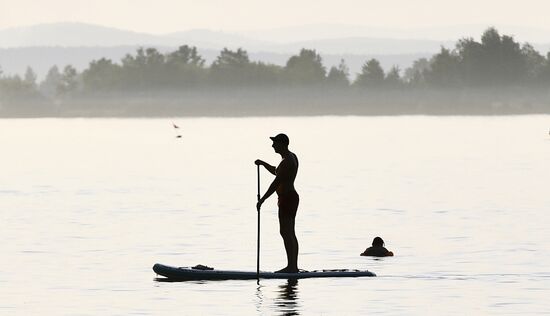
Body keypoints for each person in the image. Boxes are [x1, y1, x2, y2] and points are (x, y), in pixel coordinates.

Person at [255, 133, 300, 273]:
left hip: (288, 198)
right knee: (288, 232)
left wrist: (262, 199)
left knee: (287, 232)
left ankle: (292, 267)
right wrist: (263, 164)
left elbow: (277, 181)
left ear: (282, 144)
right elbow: (276, 171)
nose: (273, 145)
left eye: (275, 143)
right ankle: (293, 266)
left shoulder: (288, 160)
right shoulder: (288, 158)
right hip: (287, 198)